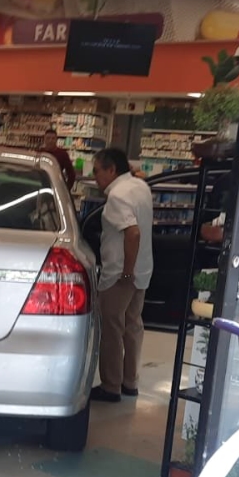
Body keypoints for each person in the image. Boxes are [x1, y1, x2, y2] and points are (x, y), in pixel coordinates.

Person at [91, 147, 154, 403]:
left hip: (120, 274)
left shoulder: (117, 195)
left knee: (111, 328)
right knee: (133, 325)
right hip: (143, 270)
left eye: (97, 171)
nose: (95, 176)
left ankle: (111, 386)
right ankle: (130, 382)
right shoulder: (141, 187)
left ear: (111, 169)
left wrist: (125, 273)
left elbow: (133, 233)